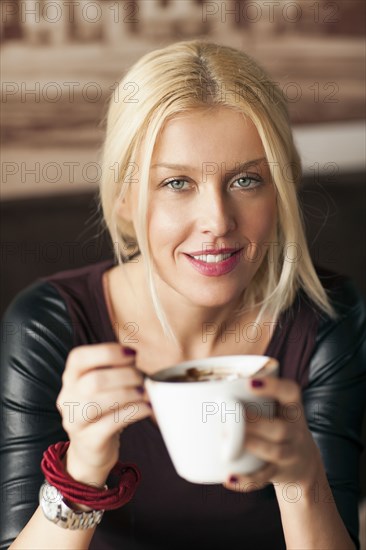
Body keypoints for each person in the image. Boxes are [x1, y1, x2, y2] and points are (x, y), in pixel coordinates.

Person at [1, 40, 365, 550]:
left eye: (246, 179)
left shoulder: (327, 317)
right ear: (126, 197)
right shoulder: (48, 324)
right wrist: (81, 473)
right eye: (176, 182)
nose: (217, 221)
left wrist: (303, 481)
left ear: (280, 190)